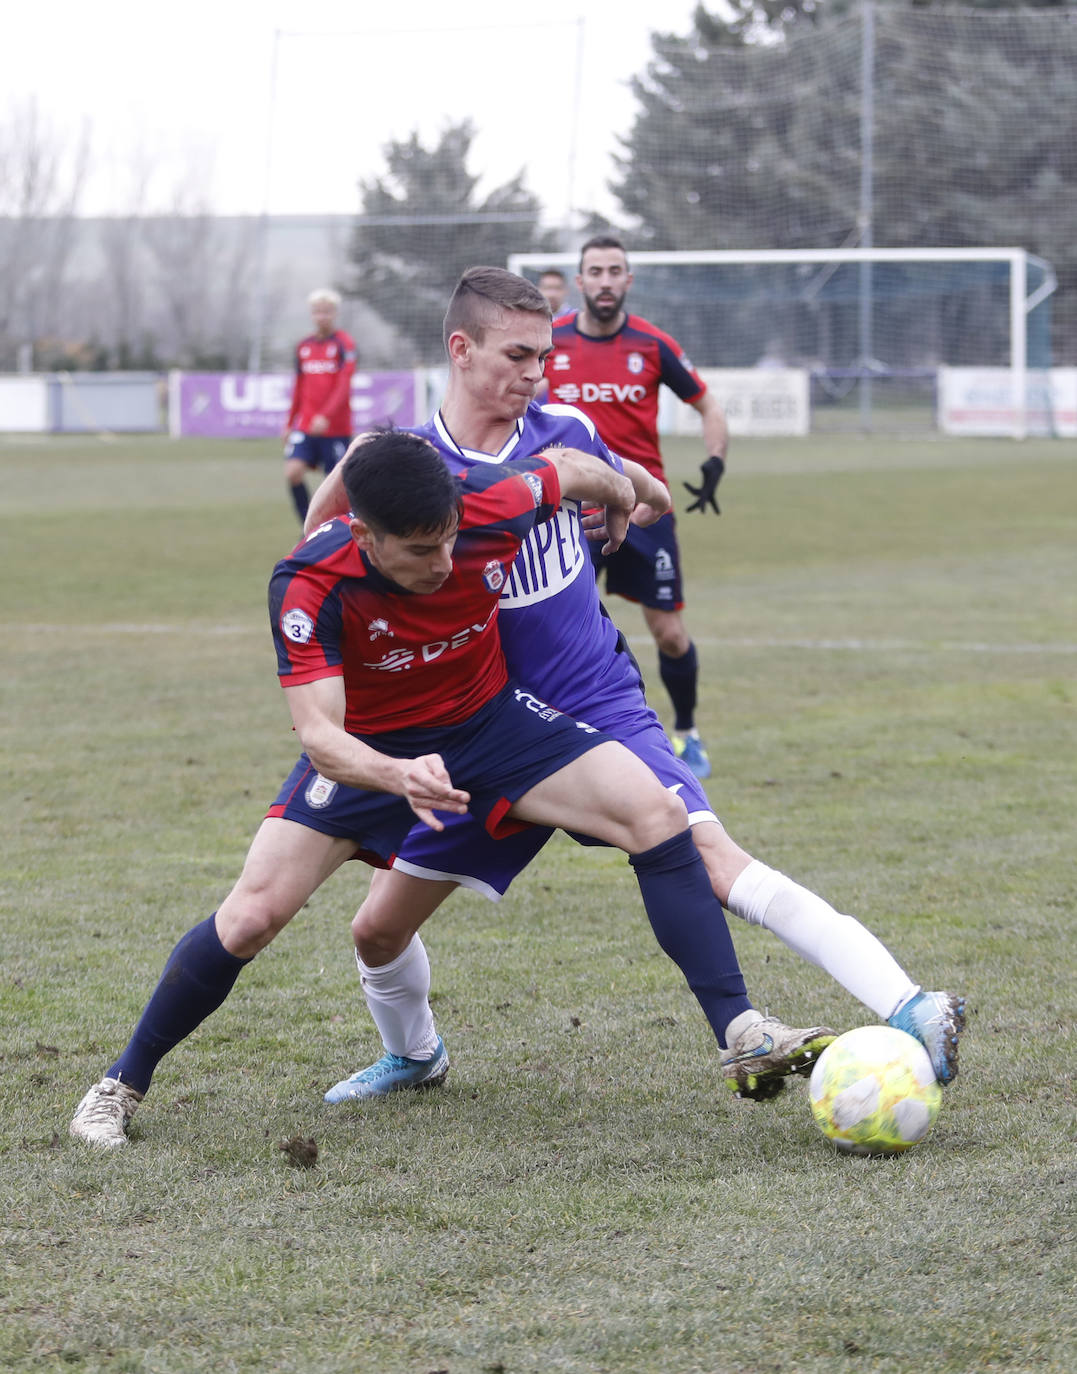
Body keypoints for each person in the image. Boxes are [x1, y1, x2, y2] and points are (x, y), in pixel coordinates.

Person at [303, 268, 965, 1109]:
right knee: (376, 927)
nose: (536, 375)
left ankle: (909, 1004)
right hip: (481, 729)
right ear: (460, 351)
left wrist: (619, 503)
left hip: (593, 706)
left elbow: (645, 496)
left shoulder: (566, 431)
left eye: (543, 357)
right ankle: (414, 1056)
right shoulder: (406, 469)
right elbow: (322, 539)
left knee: (710, 856)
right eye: (519, 355)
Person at [69, 423, 814, 1149]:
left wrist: (627, 494)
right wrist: (397, 774)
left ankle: (741, 1033)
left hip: (490, 725)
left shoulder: (489, 499)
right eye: (422, 550)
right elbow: (322, 738)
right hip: (373, 753)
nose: (444, 561)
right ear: (364, 535)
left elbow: (575, 467)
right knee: (251, 917)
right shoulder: (309, 584)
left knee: (656, 813)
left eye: (451, 539)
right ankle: (118, 1087)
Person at [546, 235, 726, 781]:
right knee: (555, 627)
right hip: (572, 510)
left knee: (669, 632)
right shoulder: (549, 342)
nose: (605, 280)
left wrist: (714, 462)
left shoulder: (651, 343)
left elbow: (707, 404)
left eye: (614, 270)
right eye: (595, 271)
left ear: (628, 280)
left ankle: (688, 734)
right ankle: (552, 736)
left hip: (646, 509)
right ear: (580, 282)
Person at [282, 287, 357, 525]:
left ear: (334, 314)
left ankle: (338, 530)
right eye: (317, 312)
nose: (321, 316)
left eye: (326, 311)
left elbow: (344, 384)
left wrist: (325, 415)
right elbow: (299, 387)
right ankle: (309, 527)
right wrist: (289, 422)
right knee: (293, 472)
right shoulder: (303, 346)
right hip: (305, 425)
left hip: (335, 427)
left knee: (335, 486)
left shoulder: (344, 344)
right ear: (311, 314)